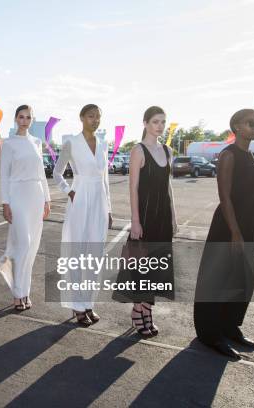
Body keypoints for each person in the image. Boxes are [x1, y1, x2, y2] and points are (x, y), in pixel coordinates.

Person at [193, 109, 254, 360]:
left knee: (241, 280)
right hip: (228, 226)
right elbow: (225, 197)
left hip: (250, 224)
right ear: (236, 126)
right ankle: (209, 334)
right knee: (219, 280)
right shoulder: (228, 155)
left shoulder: (252, 154)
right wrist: (235, 232)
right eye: (251, 123)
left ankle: (229, 326)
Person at [113, 106, 177, 336]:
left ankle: (146, 311)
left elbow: (168, 187)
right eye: (155, 122)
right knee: (142, 266)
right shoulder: (138, 151)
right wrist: (135, 221)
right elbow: (133, 188)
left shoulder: (168, 150)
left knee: (158, 267)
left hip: (163, 218)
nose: (159, 126)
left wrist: (174, 217)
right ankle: (139, 311)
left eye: (163, 122)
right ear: (145, 123)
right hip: (145, 216)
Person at [53, 104, 112, 326]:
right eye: (91, 116)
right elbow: (57, 172)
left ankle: (88, 303)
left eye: (98, 116)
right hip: (80, 200)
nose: (95, 120)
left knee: (95, 256)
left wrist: (109, 208)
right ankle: (77, 306)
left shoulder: (104, 144)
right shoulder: (72, 143)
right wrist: (70, 191)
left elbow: (105, 179)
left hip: (99, 201)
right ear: (81, 118)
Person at [0, 105, 51, 311]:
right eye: (21, 117)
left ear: (32, 119)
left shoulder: (37, 142)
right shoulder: (9, 144)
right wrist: (5, 202)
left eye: (28, 117)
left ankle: (25, 291)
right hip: (17, 195)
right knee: (24, 244)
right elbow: (4, 175)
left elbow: (41, 174)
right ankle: (17, 293)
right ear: (15, 119)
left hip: (36, 196)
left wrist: (46, 199)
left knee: (33, 246)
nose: (25, 120)